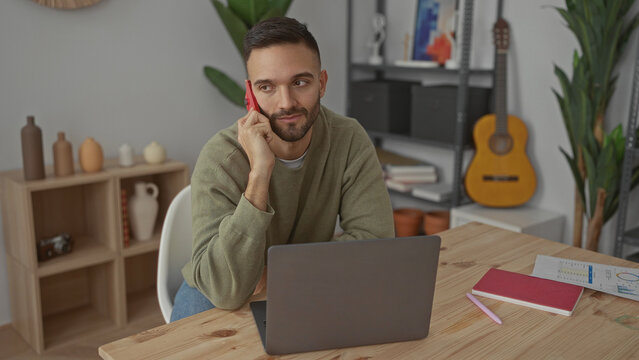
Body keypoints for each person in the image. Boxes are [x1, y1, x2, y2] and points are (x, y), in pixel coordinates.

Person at [171, 16, 394, 321]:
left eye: (300, 82)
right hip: (218, 291)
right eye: (267, 87)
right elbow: (223, 287)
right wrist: (260, 172)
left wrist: (278, 269)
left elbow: (377, 244)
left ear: (322, 83)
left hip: (309, 283)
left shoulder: (348, 138)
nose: (286, 102)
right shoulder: (220, 158)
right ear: (250, 95)